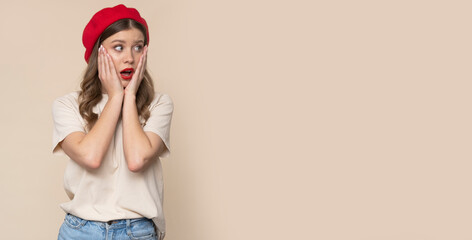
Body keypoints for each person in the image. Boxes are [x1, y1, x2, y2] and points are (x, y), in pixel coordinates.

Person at [52, 4, 173, 240]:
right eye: (118, 48)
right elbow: (91, 157)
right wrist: (115, 96)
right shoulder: (67, 105)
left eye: (138, 48)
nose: (130, 58)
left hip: (137, 231)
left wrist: (128, 97)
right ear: (99, 53)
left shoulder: (160, 104)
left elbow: (137, 159)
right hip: (80, 231)